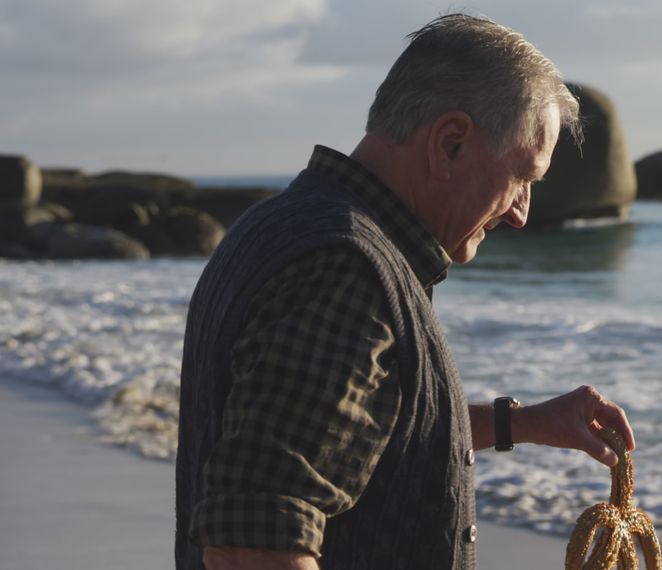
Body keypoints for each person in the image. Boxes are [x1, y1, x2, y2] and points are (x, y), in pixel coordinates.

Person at [175, 13, 636, 570]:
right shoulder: (346, 269)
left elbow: (360, 423)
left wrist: (524, 423)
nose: (521, 213)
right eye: (522, 177)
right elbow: (253, 540)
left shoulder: (282, 224)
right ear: (450, 143)